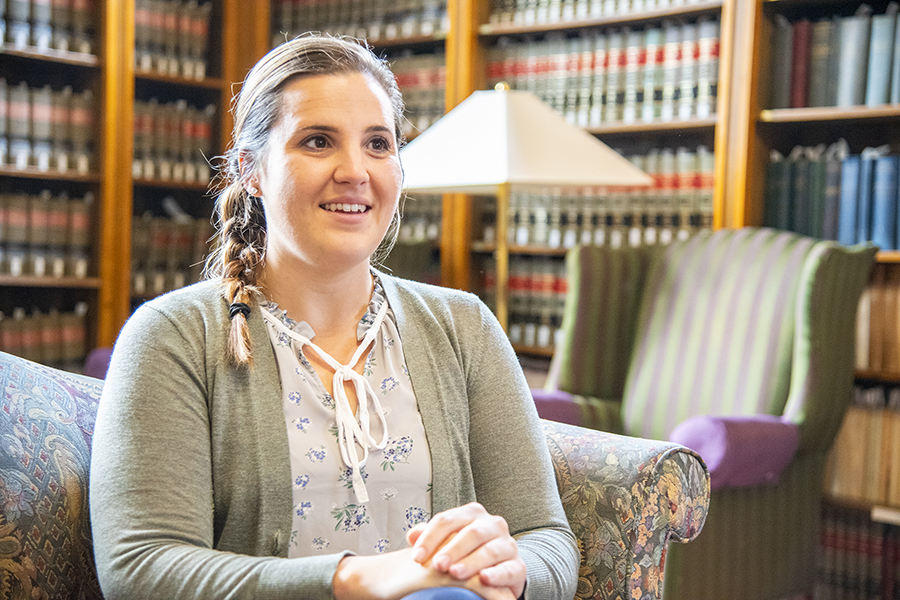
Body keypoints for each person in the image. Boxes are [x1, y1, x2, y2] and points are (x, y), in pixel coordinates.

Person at [89, 34, 579, 600]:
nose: (355, 170)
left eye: (378, 144)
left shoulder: (463, 326)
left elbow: (546, 538)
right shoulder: (172, 337)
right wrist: (355, 579)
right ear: (251, 170)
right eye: (318, 141)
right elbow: (140, 567)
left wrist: (508, 570)